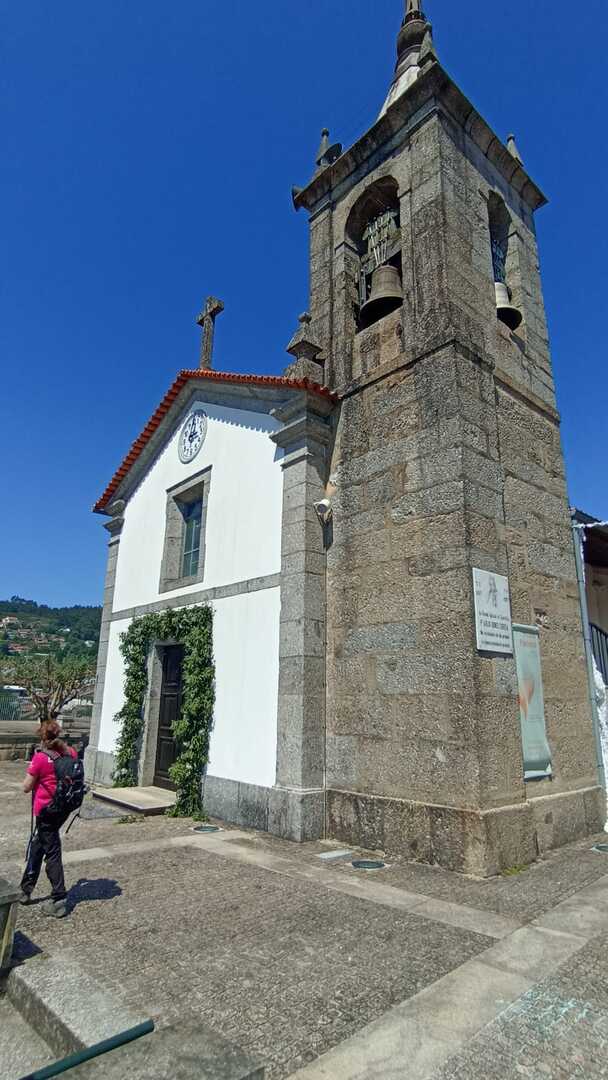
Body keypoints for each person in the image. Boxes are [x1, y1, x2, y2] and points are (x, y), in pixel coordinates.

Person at [18, 717, 78, 918]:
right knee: (38, 844)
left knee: (52, 850)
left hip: (46, 811)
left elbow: (26, 787)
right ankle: (25, 889)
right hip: (64, 808)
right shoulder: (71, 753)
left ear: (43, 738)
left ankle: (59, 898)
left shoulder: (40, 758)